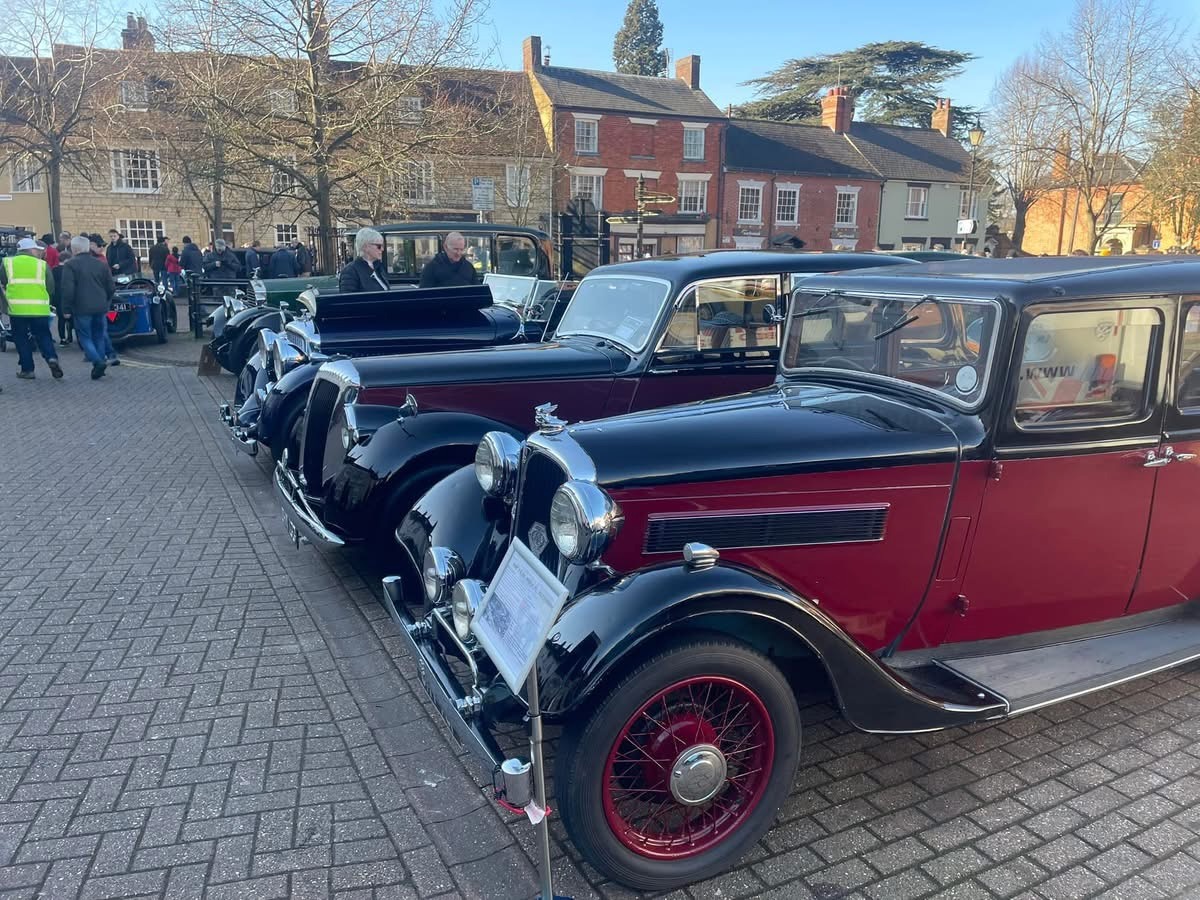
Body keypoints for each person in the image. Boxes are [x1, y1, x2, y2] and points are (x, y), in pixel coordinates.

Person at [0, 237, 62, 379]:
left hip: (17, 309)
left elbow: (3, 281)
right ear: (32, 249)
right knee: (44, 336)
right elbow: (51, 287)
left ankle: (27, 370)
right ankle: (51, 358)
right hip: (39, 309)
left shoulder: (7, 263)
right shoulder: (42, 265)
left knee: (21, 339)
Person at [60, 235, 117, 379]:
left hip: (81, 307)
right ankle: (100, 362)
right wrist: (106, 300)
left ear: (74, 249)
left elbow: (67, 290)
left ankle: (98, 362)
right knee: (99, 335)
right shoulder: (101, 264)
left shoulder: (70, 265)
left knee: (85, 337)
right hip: (100, 306)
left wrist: (66, 309)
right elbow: (111, 287)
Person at [338, 228, 390, 293]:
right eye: (379, 246)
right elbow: (348, 300)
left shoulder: (378, 267)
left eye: (383, 246)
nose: (382, 249)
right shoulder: (350, 271)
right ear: (366, 247)